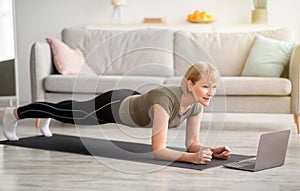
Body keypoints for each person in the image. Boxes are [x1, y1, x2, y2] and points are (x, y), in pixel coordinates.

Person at [2, 61, 231, 165]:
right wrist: (191, 158)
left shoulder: (196, 105)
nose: (210, 93)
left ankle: (47, 114)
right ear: (190, 84)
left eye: (213, 88)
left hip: (130, 99)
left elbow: (192, 143)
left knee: (71, 109)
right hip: (112, 107)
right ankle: (13, 114)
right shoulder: (164, 101)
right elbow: (158, 151)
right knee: (70, 114)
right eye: (205, 87)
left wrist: (210, 150)